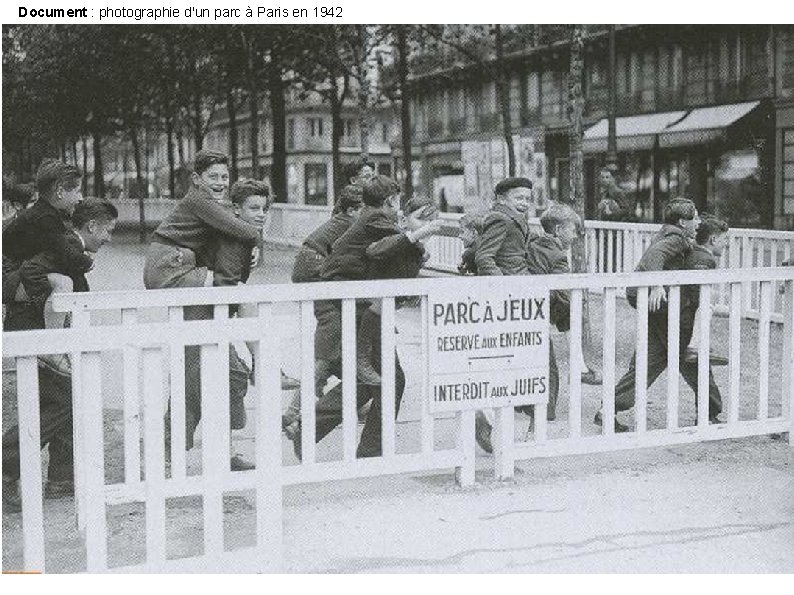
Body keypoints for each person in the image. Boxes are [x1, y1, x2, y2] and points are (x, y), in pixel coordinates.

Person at [287, 176, 441, 459]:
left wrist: (416, 244)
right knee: (388, 378)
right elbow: (382, 250)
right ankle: (364, 448)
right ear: (392, 201)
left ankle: (315, 429)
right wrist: (417, 236)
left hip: (355, 300)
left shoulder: (375, 219)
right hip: (354, 300)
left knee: (379, 379)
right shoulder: (379, 219)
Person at [2, 199, 118, 512]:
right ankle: (7, 465)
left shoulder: (70, 246)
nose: (110, 238)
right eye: (108, 231)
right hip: (35, 330)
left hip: (47, 331)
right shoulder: (67, 244)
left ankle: (61, 478)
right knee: (63, 399)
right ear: (92, 226)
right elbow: (31, 272)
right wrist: (42, 310)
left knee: (66, 395)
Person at [605, 198, 715, 432]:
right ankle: (710, 412)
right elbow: (652, 258)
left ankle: (608, 409)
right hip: (659, 303)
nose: (698, 222)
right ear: (682, 221)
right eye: (694, 217)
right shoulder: (675, 238)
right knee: (688, 355)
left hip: (654, 306)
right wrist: (657, 285)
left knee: (651, 359)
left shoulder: (670, 234)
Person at [287, 185, 364, 428]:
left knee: (339, 335)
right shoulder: (350, 223)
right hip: (316, 268)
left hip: (311, 266)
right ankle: (295, 409)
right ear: (353, 209)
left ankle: (346, 400)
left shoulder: (340, 221)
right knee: (332, 334)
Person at [3, 160, 90, 310]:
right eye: (77, 191)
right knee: (63, 283)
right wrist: (86, 261)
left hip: (22, 269)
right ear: (60, 192)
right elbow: (63, 250)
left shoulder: (44, 214)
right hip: (9, 274)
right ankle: (54, 331)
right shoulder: (44, 218)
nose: (80, 198)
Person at [682, 215, 729, 366]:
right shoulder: (705, 259)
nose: (725, 244)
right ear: (713, 240)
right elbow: (699, 295)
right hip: (683, 318)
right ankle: (694, 348)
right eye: (724, 239)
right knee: (706, 305)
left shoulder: (693, 251)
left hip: (675, 313)